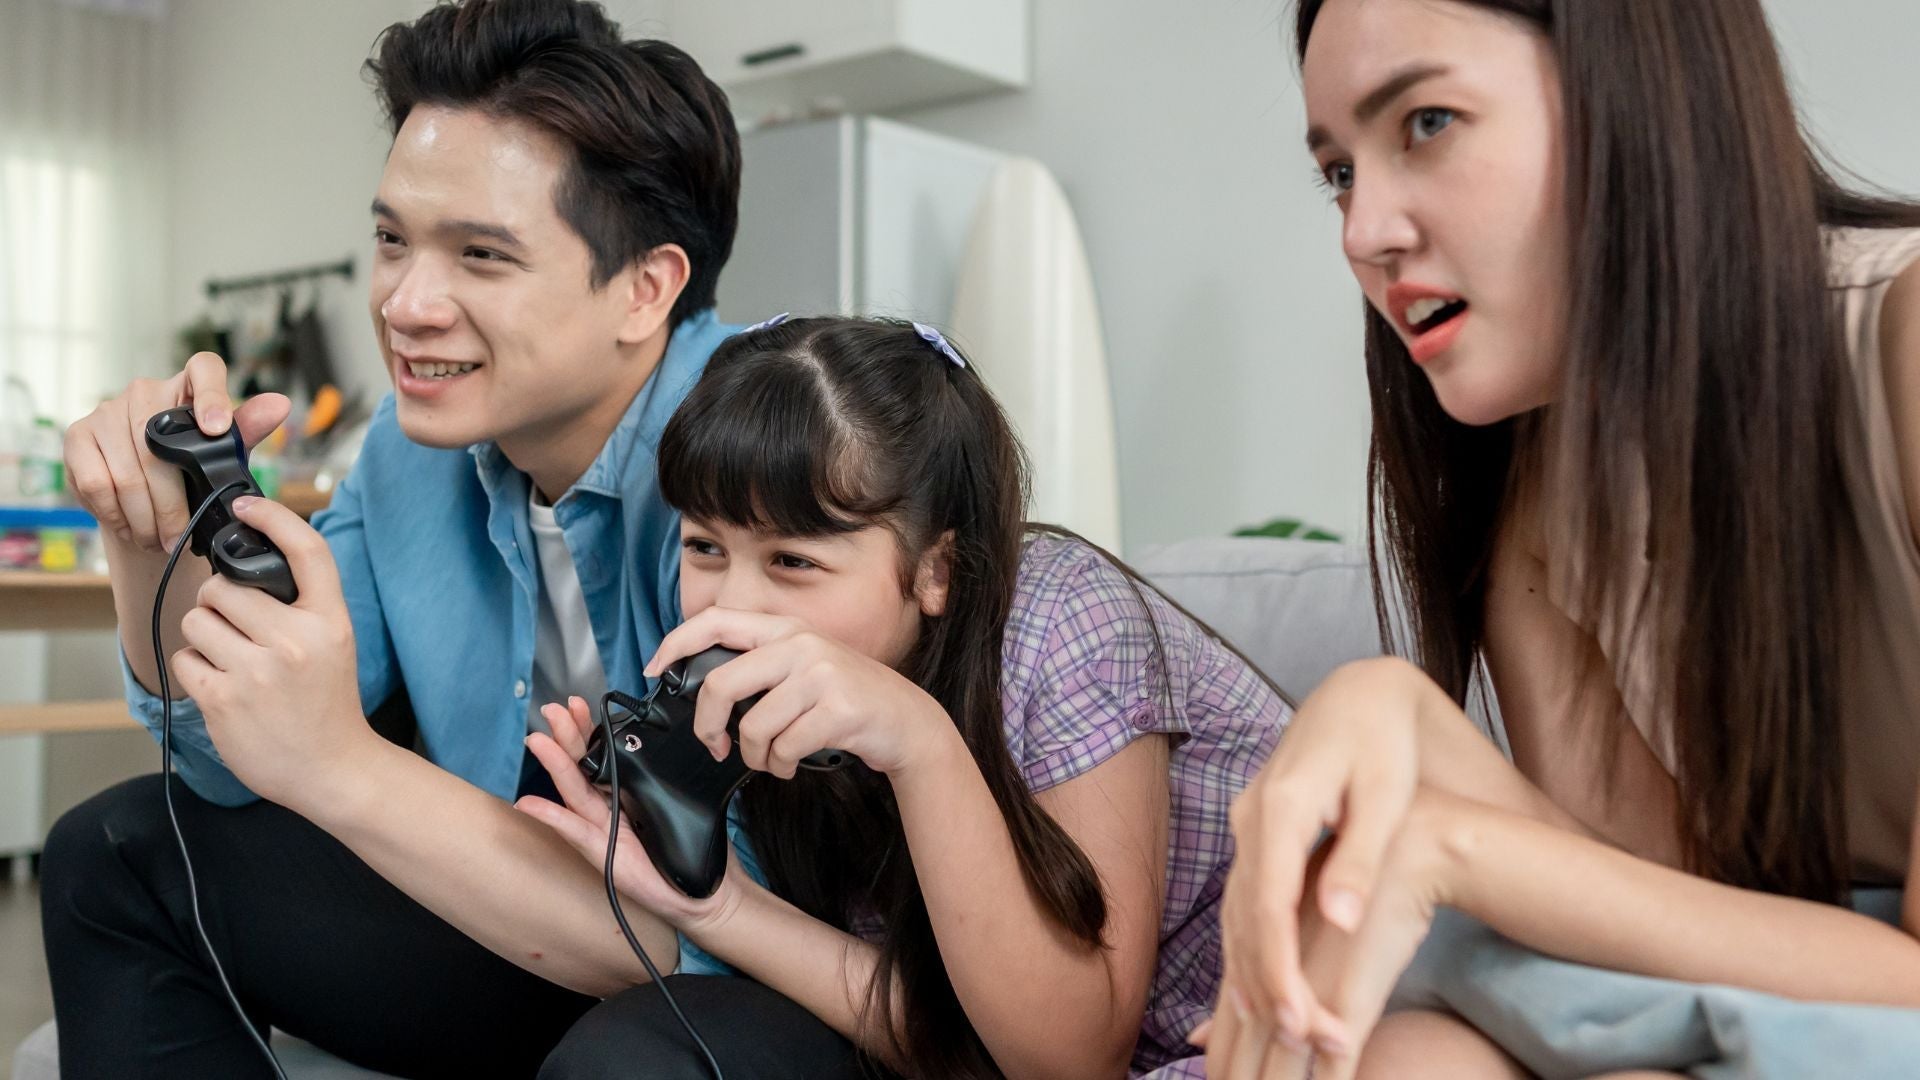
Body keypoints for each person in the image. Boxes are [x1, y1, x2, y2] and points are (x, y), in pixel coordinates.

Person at [1195, 0, 1920, 1077]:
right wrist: (1398, 713)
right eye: (1340, 172)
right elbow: (1648, 927)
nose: (1363, 233)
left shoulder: (1904, 342)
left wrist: (1454, 844)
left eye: (1427, 123)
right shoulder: (1541, 501)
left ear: (1641, 92)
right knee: (1406, 1057)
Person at [39, 1, 763, 1074]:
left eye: (481, 254)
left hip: (712, 977)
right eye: (391, 240)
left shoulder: (766, 453)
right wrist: (149, 533)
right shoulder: (408, 450)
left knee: (629, 1055)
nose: (405, 305)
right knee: (115, 851)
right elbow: (230, 771)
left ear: (645, 290)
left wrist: (342, 765)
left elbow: (717, 931)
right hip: (501, 923)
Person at [515, 316, 1289, 1078]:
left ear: (935, 571)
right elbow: (950, 1044)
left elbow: (1073, 1064)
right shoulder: (769, 703)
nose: (732, 607)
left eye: (792, 561)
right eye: (705, 547)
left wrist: (921, 742)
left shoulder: (1069, 625)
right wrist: (720, 905)